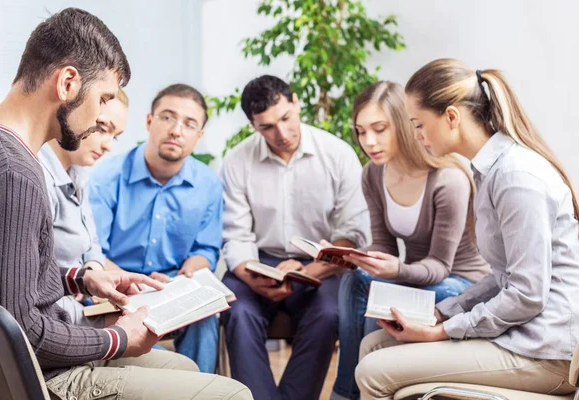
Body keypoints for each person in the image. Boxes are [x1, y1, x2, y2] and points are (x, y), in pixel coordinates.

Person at [0, 8, 251, 399]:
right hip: (42, 375)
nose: (100, 118)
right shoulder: (13, 175)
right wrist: (117, 339)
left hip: (45, 355)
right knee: (234, 394)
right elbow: (20, 331)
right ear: (68, 82)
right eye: (104, 97)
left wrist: (82, 278)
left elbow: (4, 279)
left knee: (185, 367)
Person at [355, 58, 579, 399]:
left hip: (544, 352)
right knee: (374, 345)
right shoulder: (489, 171)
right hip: (521, 335)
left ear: (451, 117)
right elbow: (503, 275)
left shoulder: (516, 178)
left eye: (418, 124)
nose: (415, 136)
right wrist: (440, 312)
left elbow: (527, 294)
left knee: (373, 371)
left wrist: (445, 331)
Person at [331, 81, 491, 400]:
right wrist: (360, 258)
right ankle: (348, 393)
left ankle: (365, 387)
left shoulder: (448, 180)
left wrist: (395, 271)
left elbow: (440, 267)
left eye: (379, 129)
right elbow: (384, 247)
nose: (369, 141)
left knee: (381, 291)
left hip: (460, 282)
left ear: (404, 125)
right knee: (355, 280)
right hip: (417, 277)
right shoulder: (372, 175)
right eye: (361, 132)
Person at [220, 75, 370, 400]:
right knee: (236, 310)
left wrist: (310, 271)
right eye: (267, 127)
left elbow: (352, 234)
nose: (282, 134)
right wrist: (249, 273)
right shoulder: (236, 161)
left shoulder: (338, 155)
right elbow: (236, 233)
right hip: (258, 263)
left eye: (286, 118)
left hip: (321, 265)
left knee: (329, 314)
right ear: (253, 125)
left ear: (297, 103)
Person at [89, 83, 223, 373]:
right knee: (143, 343)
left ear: (198, 137)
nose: (176, 130)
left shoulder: (209, 184)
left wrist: (187, 277)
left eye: (189, 124)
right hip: (116, 288)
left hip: (171, 285)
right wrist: (128, 286)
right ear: (149, 121)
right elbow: (94, 250)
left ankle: (202, 391)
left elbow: (206, 249)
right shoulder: (106, 175)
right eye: (167, 117)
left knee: (204, 317)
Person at [39, 89, 129, 328]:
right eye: (102, 127)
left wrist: (93, 269)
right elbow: (33, 281)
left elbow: (92, 243)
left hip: (80, 309)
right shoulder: (39, 177)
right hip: (61, 322)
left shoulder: (79, 173)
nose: (108, 145)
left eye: (116, 136)